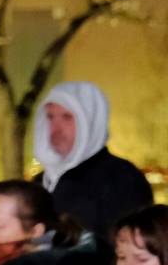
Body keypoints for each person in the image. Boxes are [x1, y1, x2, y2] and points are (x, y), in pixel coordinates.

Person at [32, 82, 154, 246]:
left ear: (90, 122)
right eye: (50, 117)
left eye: (67, 117)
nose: (55, 128)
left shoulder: (121, 179)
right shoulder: (41, 182)